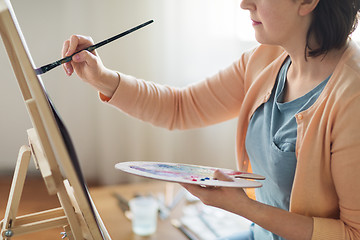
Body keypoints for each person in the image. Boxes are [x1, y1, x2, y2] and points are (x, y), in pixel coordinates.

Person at [62, 0, 360, 239]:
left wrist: (245, 207)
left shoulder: (352, 99)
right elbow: (180, 107)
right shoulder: (266, 59)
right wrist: (102, 78)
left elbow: (352, 233)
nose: (244, 3)